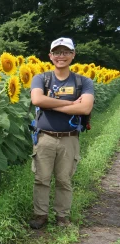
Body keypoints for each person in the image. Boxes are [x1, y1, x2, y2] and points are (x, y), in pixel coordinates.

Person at [28, 37, 94, 229]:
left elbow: (86, 108)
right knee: (41, 179)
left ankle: (62, 217)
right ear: (50, 56)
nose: (61, 56)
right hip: (45, 137)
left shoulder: (83, 81)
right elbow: (38, 100)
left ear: (73, 55)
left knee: (64, 180)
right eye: (57, 52)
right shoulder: (41, 78)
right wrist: (71, 103)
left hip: (69, 139)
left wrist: (53, 104)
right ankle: (40, 215)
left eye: (66, 52)